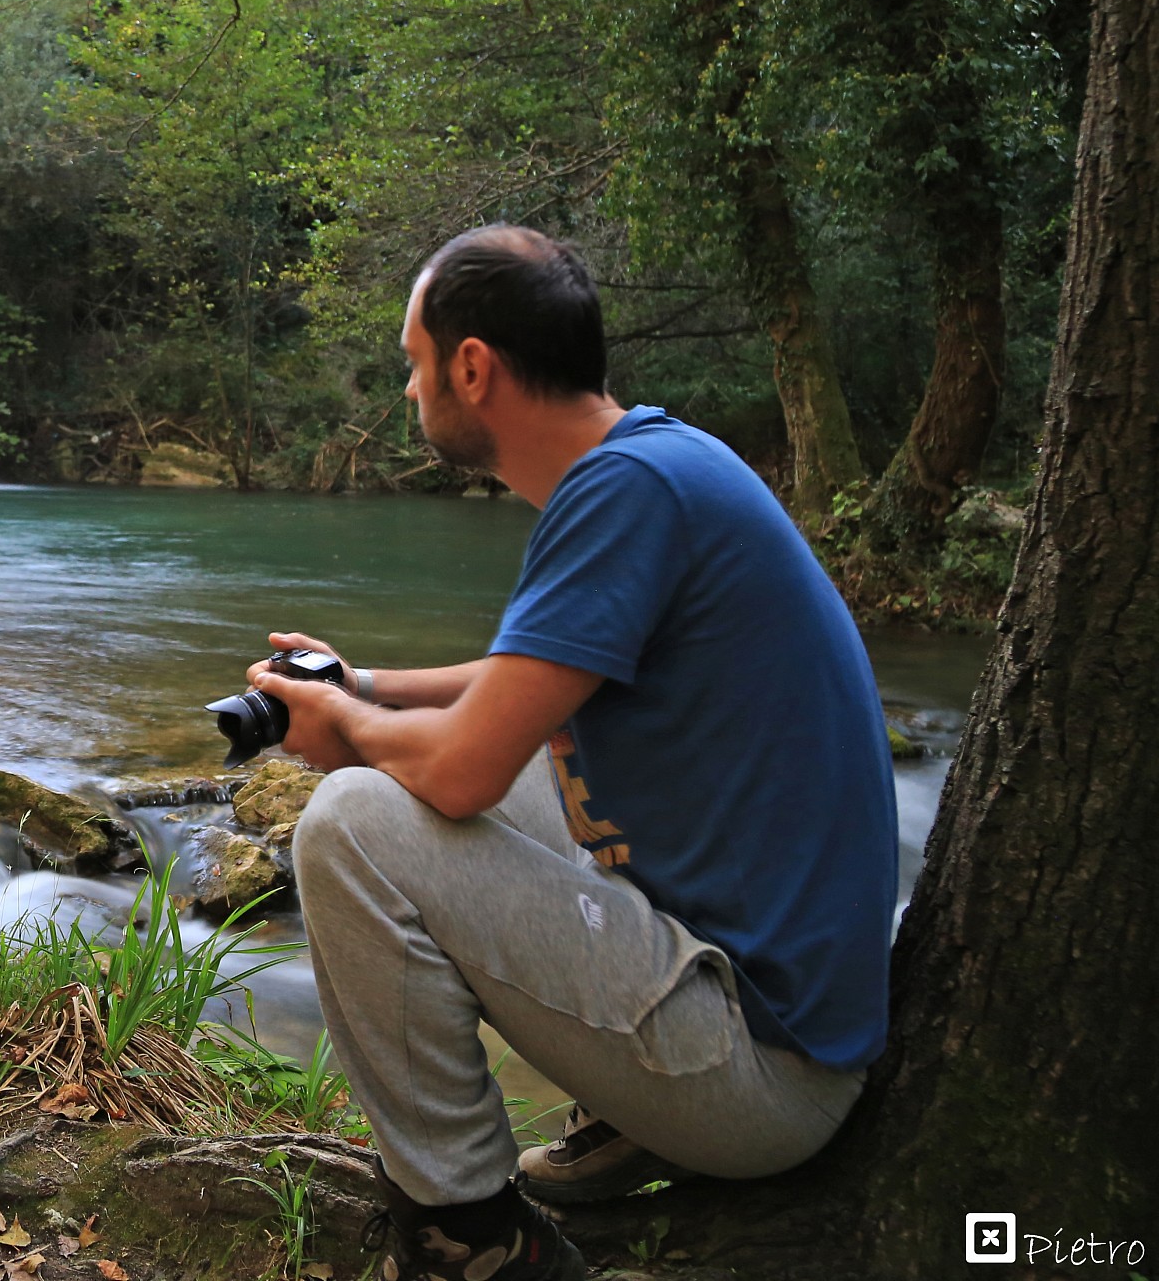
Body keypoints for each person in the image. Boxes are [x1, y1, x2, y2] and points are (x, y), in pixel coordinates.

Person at [249, 225, 896, 1281]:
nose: (412, 393)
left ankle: (470, 1237)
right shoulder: (659, 462)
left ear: (472, 366)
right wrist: (363, 686)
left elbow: (460, 768)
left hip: (765, 1072)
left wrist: (349, 733)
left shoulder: (622, 495)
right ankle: (624, 1119)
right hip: (781, 1018)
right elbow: (521, 679)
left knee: (354, 822)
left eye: (415, 365)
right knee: (507, 766)